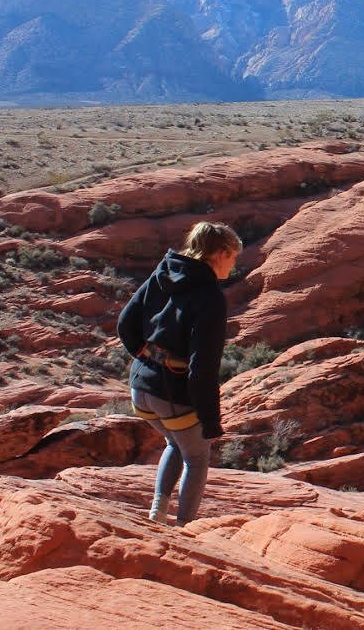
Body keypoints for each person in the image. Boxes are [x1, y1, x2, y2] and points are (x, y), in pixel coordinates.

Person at [118, 221, 241, 526]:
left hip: (140, 389)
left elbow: (125, 324)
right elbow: (203, 367)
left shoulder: (164, 271)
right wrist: (211, 421)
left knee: (176, 443)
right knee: (197, 458)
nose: (234, 264)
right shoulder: (210, 296)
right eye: (234, 257)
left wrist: (149, 356)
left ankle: (157, 513)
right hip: (171, 397)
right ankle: (183, 530)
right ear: (221, 253)